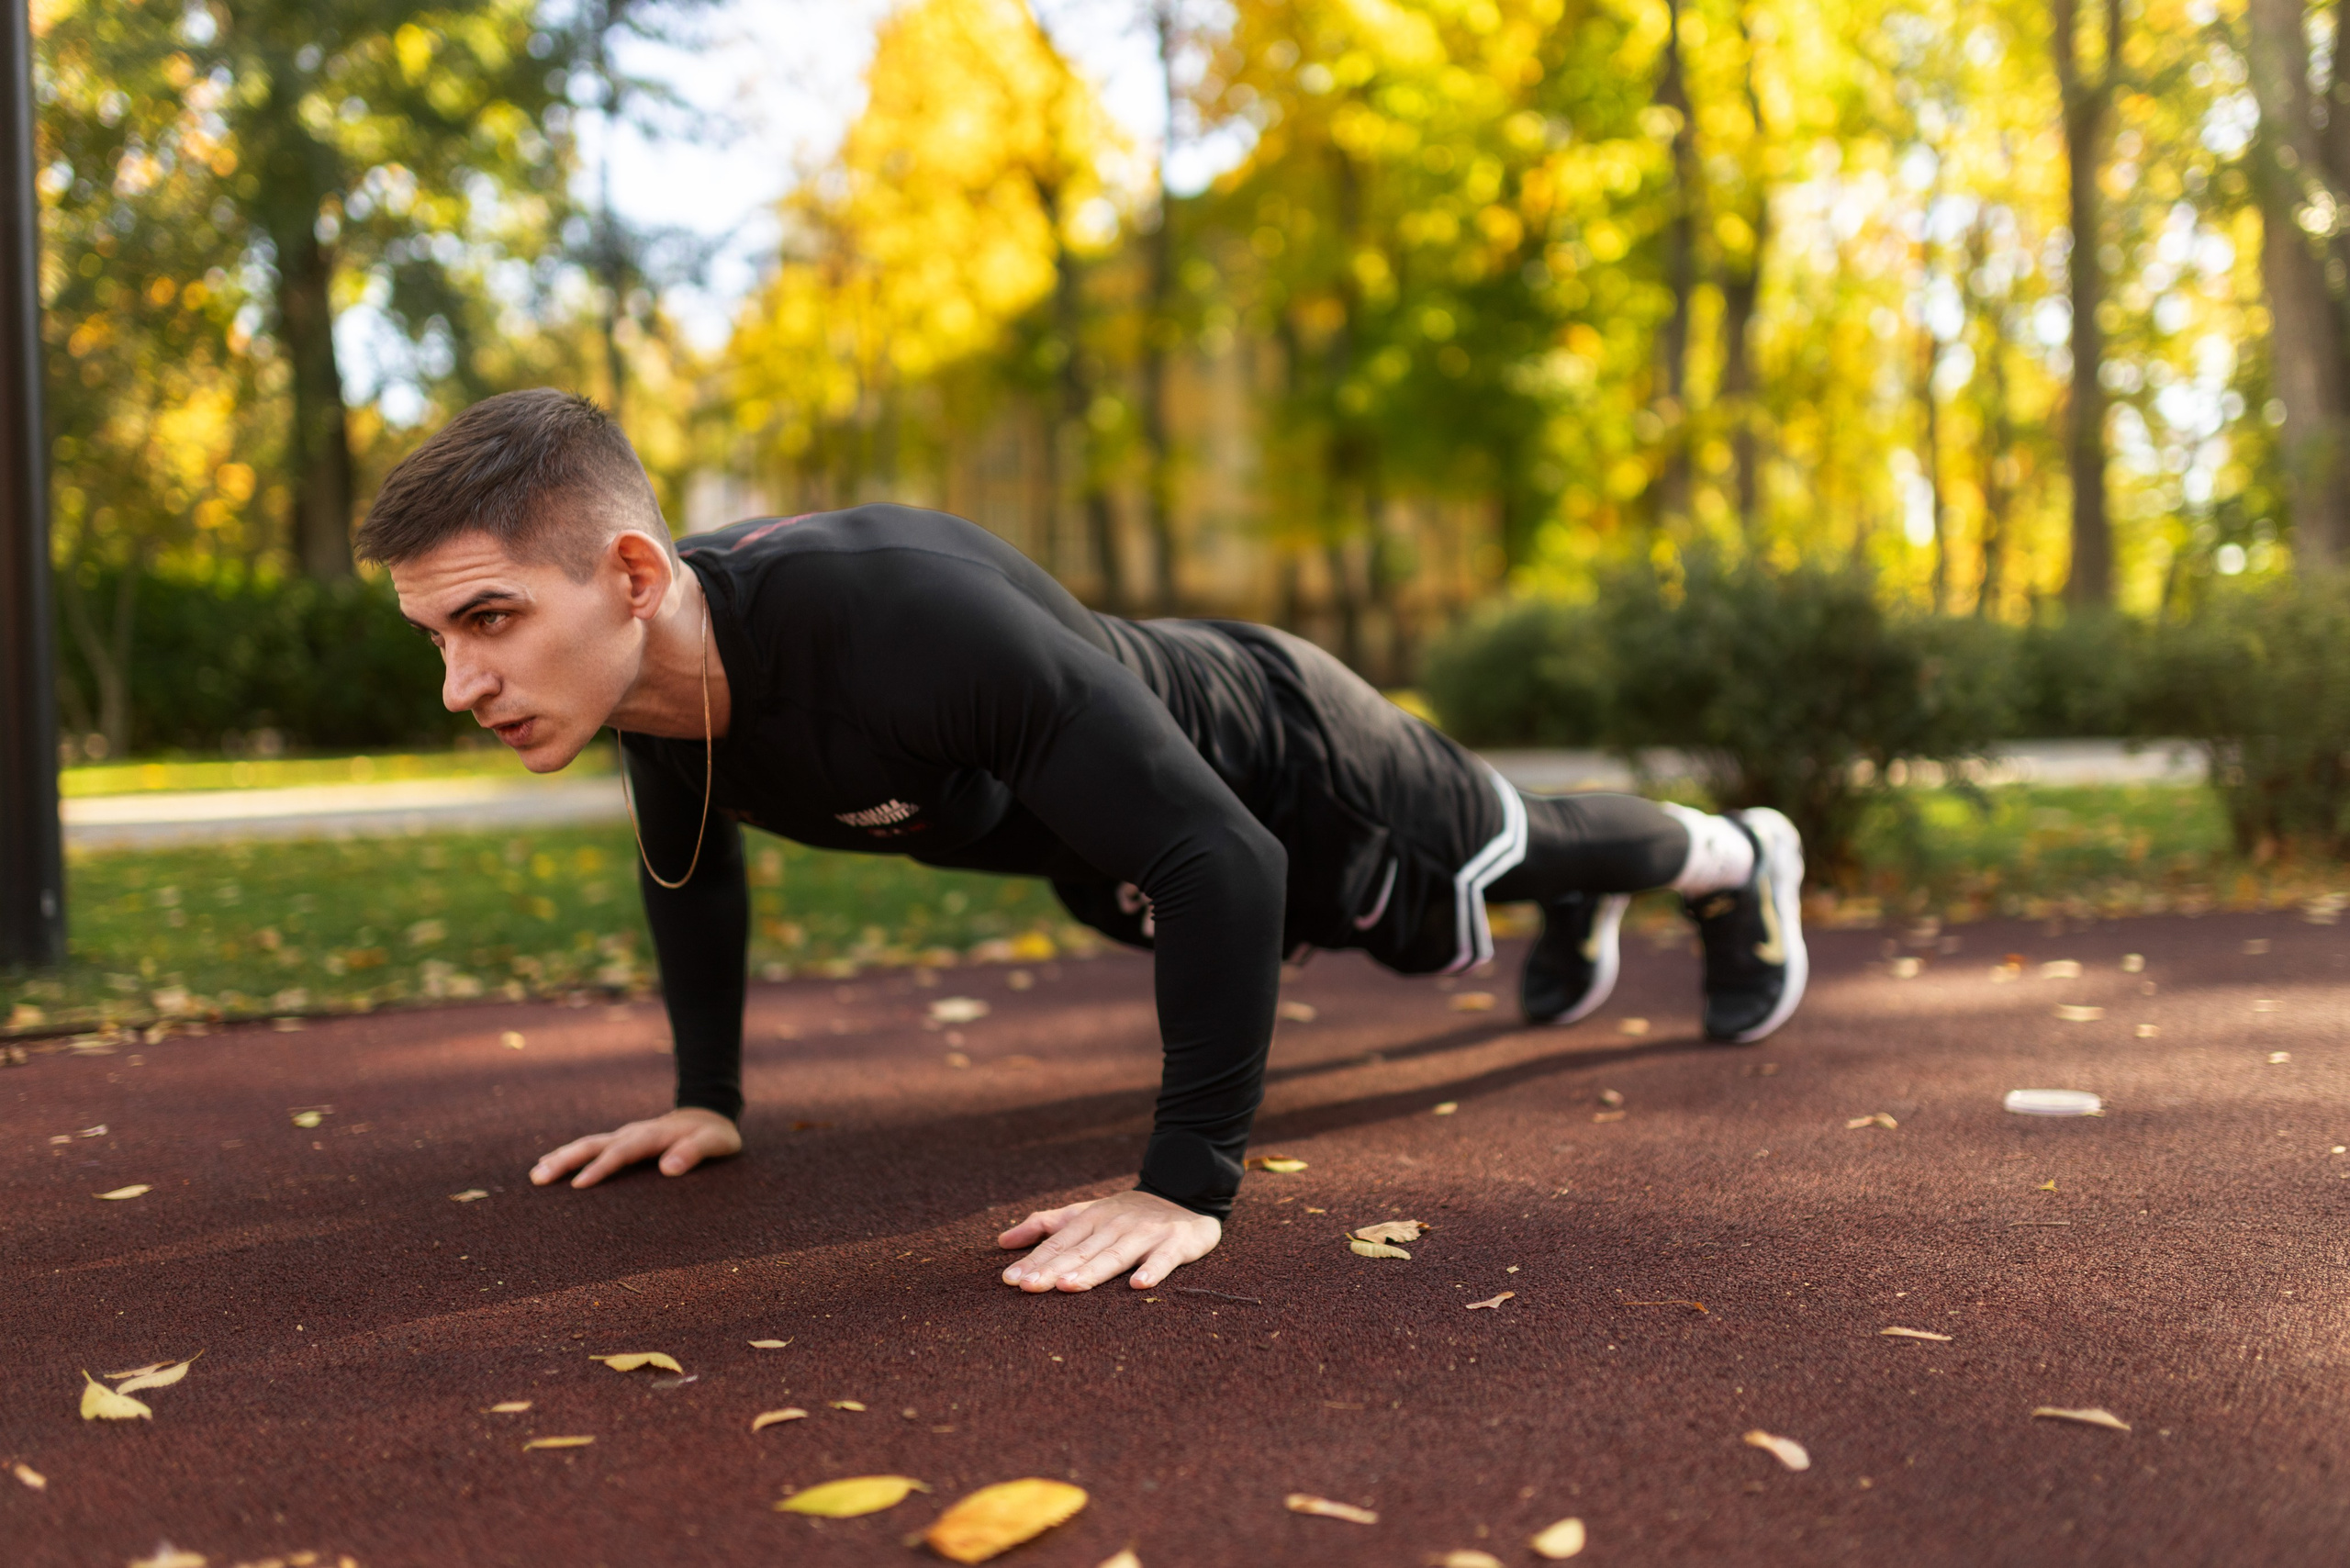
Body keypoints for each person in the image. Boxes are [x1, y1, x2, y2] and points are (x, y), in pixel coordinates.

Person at [359, 389, 1807, 1297]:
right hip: (1136, 836)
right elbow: (689, 865)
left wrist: (1184, 1182)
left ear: (632, 575)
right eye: (436, 636)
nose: (460, 686)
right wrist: (709, 1097)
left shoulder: (898, 624)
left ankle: (1740, 855)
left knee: (1505, 859)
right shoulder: (648, 691)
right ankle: (1580, 905)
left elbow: (1228, 861)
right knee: (1442, 938)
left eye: (489, 620)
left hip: (1291, 756)